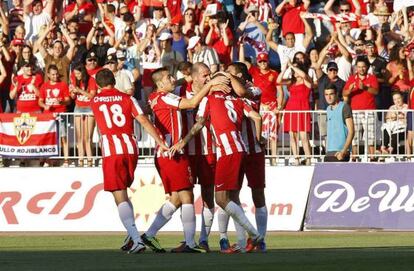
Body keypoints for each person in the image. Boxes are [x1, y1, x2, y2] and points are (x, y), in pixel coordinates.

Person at [141, 67, 229, 253]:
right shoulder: (166, 97)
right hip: (174, 153)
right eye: (168, 77)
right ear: (159, 84)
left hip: (167, 153)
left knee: (176, 199)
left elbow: (176, 86)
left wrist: (189, 79)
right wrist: (211, 83)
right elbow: (191, 103)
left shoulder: (155, 97)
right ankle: (190, 242)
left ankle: (148, 235)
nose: (173, 79)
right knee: (187, 197)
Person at [90, 68, 168, 254]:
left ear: (98, 84)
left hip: (111, 150)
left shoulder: (95, 101)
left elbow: (99, 98)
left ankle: (136, 239)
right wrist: (160, 142)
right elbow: (143, 120)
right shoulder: (127, 98)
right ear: (114, 82)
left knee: (119, 195)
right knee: (123, 192)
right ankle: (131, 235)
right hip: (131, 148)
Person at [193, 74, 264, 253]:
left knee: (221, 199)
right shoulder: (237, 100)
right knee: (233, 198)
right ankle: (241, 243)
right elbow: (256, 116)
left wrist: (184, 140)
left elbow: (199, 122)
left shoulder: (209, 99)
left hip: (227, 151)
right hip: (241, 149)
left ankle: (254, 235)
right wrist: (258, 137)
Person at [343, 56, 379, 160]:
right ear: (356, 67)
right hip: (355, 111)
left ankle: (372, 158)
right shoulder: (352, 78)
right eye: (359, 67)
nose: (361, 69)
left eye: (363, 67)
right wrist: (349, 91)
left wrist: (365, 88)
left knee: (370, 135)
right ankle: (355, 157)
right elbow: (344, 93)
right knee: (355, 136)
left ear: (367, 67)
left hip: (369, 111)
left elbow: (376, 91)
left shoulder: (372, 77)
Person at [277, 61, 313, 165]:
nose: (294, 71)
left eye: (297, 69)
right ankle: (296, 158)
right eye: (293, 70)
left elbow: (303, 75)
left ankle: (308, 159)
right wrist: (285, 68)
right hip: (291, 110)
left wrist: (292, 65)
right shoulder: (291, 82)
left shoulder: (306, 81)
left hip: (302, 110)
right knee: (293, 136)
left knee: (304, 136)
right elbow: (278, 81)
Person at [38, 65, 71, 166]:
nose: (55, 76)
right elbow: (40, 101)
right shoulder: (44, 86)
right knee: (48, 138)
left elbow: (68, 100)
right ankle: (48, 160)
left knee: (63, 137)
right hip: (48, 116)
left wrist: (62, 102)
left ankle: (66, 159)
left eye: (56, 74)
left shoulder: (63, 85)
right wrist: (45, 106)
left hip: (60, 114)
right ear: (48, 75)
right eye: (53, 74)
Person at [69, 64, 97, 167]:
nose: (76, 75)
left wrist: (79, 90)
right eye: (75, 74)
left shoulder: (91, 80)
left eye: (78, 73)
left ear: (83, 72)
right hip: (78, 107)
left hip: (89, 108)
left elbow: (92, 96)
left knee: (88, 136)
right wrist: (72, 92)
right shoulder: (75, 79)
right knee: (79, 136)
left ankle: (90, 160)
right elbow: (72, 97)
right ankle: (81, 159)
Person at [324, 84, 354, 162]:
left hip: (340, 153)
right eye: (326, 94)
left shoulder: (345, 107)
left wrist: (343, 151)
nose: (328, 97)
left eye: (331, 94)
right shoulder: (328, 109)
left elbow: (351, 132)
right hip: (329, 152)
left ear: (336, 94)